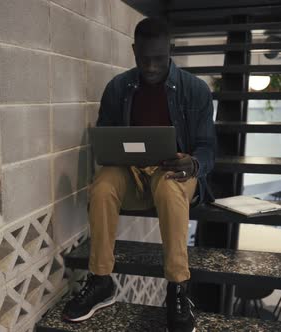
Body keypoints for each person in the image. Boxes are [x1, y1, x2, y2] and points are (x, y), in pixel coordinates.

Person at [62, 17, 216, 332]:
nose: (150, 66)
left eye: (158, 58)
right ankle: (102, 280)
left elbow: (208, 149)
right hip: (130, 172)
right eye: (143, 58)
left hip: (173, 173)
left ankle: (177, 288)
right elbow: (106, 137)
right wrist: (113, 150)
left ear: (169, 50)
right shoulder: (117, 88)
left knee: (169, 187)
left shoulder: (196, 90)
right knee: (103, 186)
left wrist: (193, 163)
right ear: (134, 50)